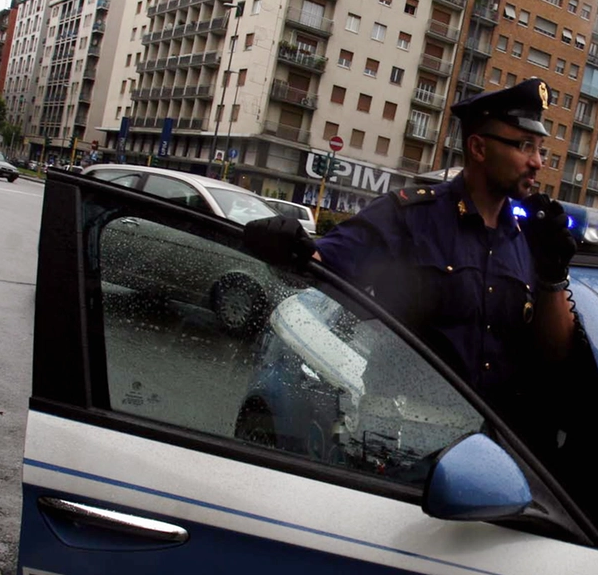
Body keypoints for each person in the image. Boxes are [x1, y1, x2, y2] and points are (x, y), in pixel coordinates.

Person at [244, 77, 577, 424]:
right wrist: (285, 243)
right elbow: (322, 264)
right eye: (525, 145)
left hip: (495, 442)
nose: (537, 162)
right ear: (478, 148)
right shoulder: (409, 217)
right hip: (401, 434)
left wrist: (553, 275)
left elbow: (554, 354)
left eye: (541, 149)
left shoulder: (529, 237)